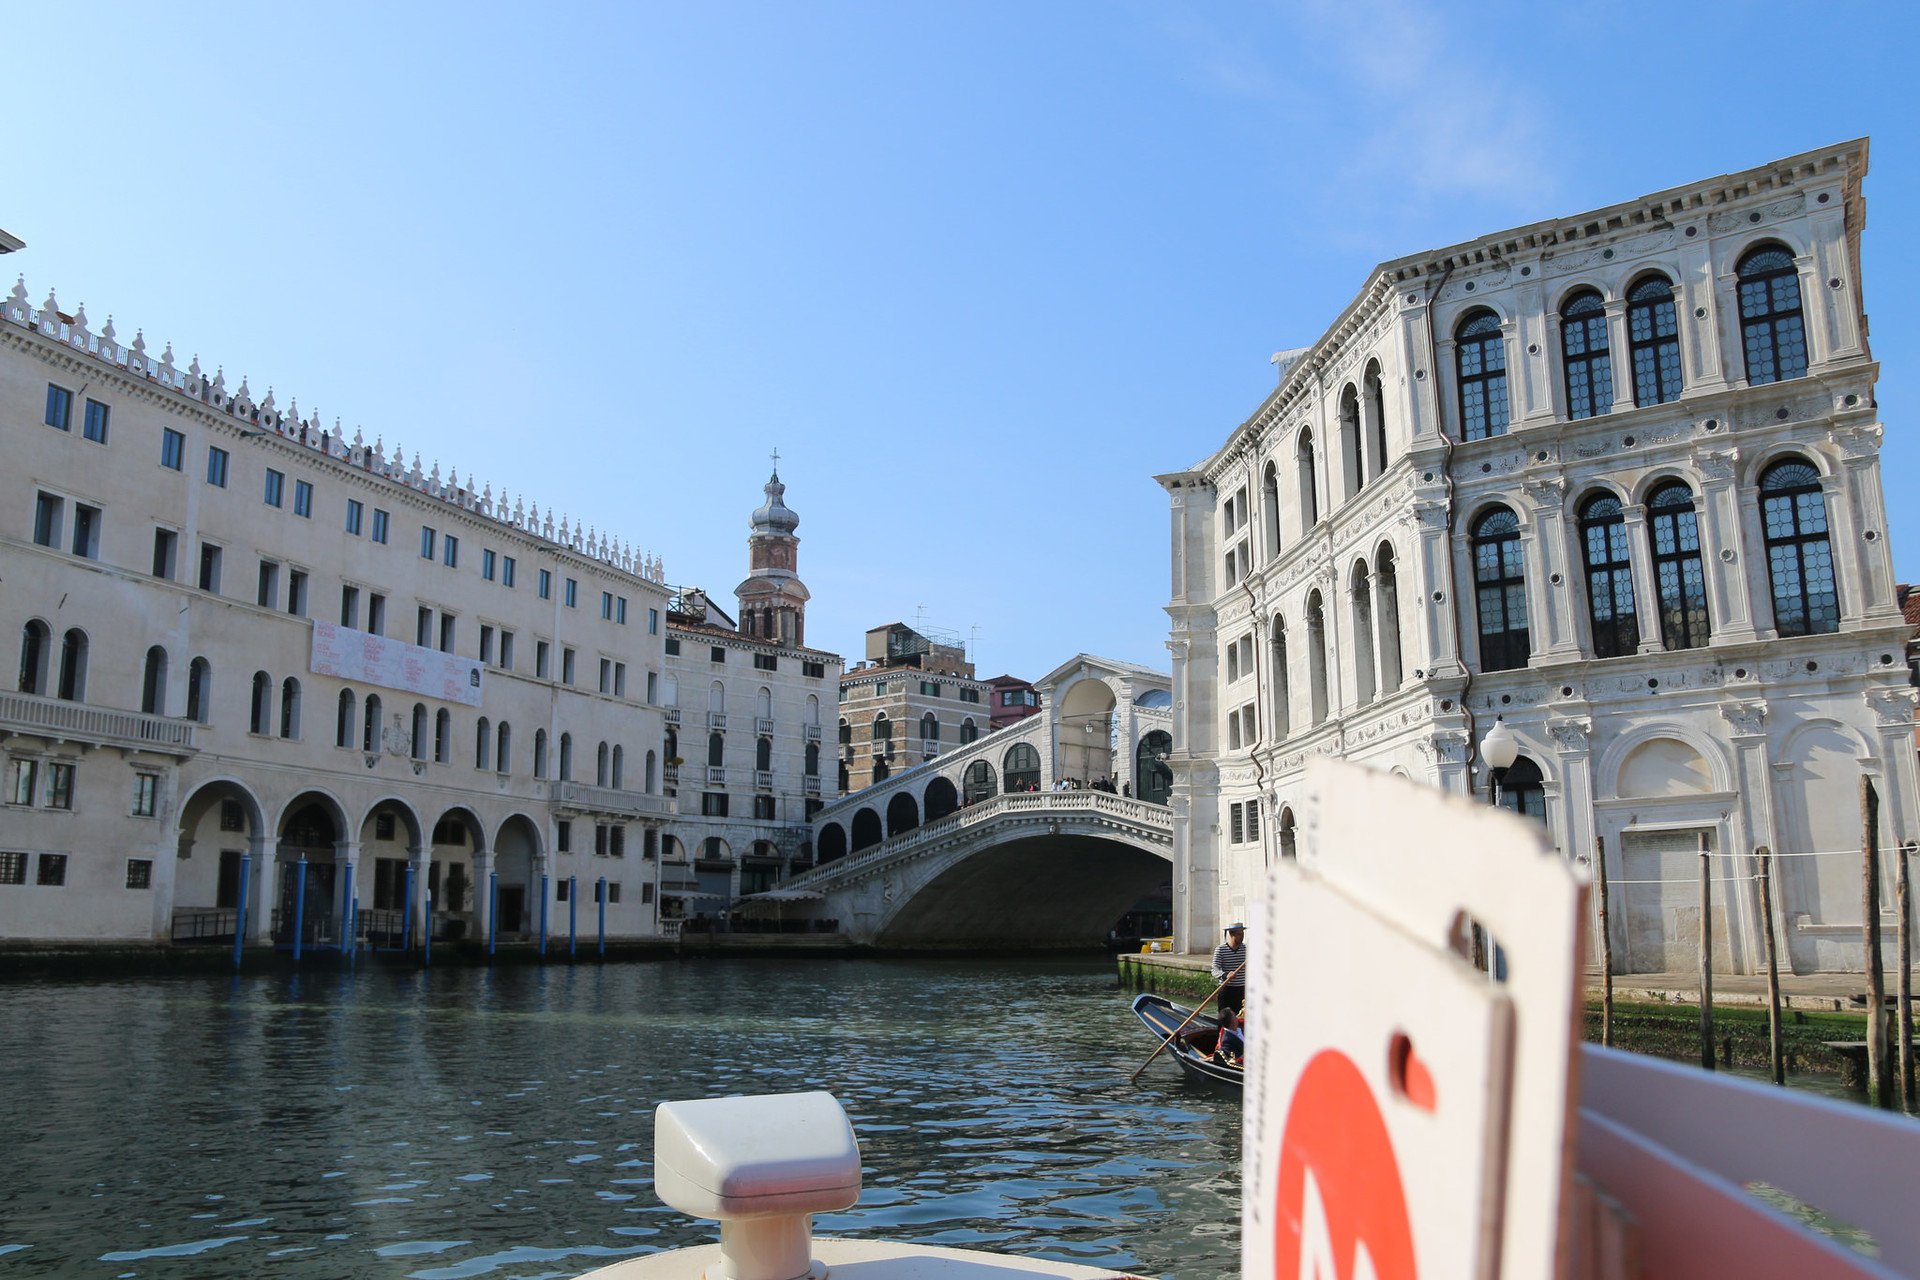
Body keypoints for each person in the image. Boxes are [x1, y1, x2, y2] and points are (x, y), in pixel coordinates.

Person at [1212, 922, 1246, 1020]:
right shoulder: (1220, 950)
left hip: (1242, 990)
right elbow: (1214, 970)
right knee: (1225, 1021)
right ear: (1231, 934)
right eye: (1239, 934)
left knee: (1242, 1021)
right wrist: (1225, 975)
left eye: (1242, 934)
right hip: (1226, 990)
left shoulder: (1246, 950)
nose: (1242, 937)